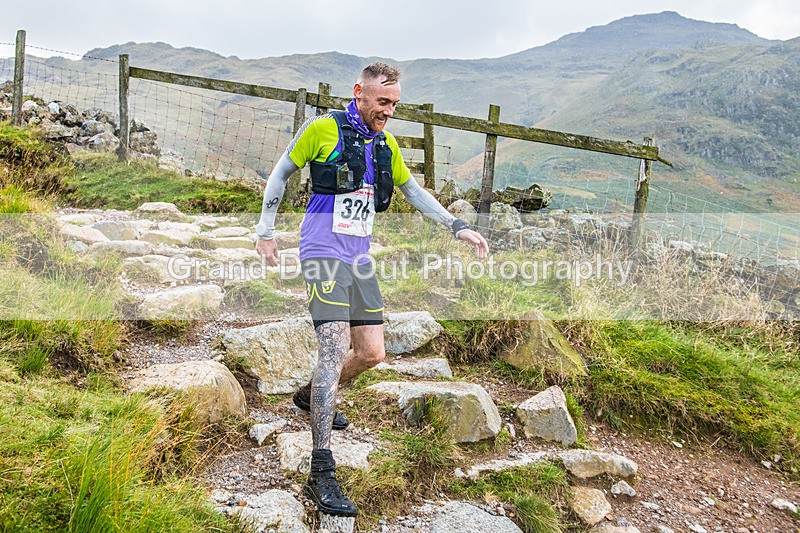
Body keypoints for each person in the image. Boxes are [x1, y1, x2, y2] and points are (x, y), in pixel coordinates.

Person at [255, 62, 488, 517]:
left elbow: (414, 191)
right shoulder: (322, 129)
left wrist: (455, 226)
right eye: (383, 102)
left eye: (395, 104)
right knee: (334, 344)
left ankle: (310, 396)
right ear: (359, 92)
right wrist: (265, 229)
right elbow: (281, 173)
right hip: (321, 251)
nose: (389, 111)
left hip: (359, 257)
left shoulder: (386, 145)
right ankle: (321, 468)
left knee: (372, 353)